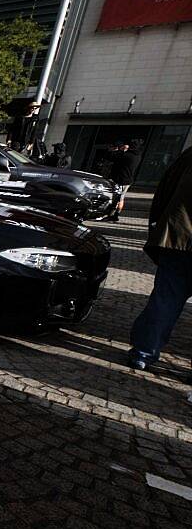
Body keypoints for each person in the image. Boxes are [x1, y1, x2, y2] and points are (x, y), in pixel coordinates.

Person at [128, 145, 192, 371]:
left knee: (165, 300)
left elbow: (164, 192)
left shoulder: (189, 155)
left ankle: (143, 353)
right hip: (177, 237)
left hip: (176, 237)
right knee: (165, 300)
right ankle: (143, 351)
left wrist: (157, 228)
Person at [104, 140, 140, 219]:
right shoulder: (137, 156)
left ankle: (113, 215)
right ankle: (115, 214)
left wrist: (121, 150)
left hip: (121, 180)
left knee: (117, 198)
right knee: (121, 197)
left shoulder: (126, 155)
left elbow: (112, 157)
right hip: (127, 180)